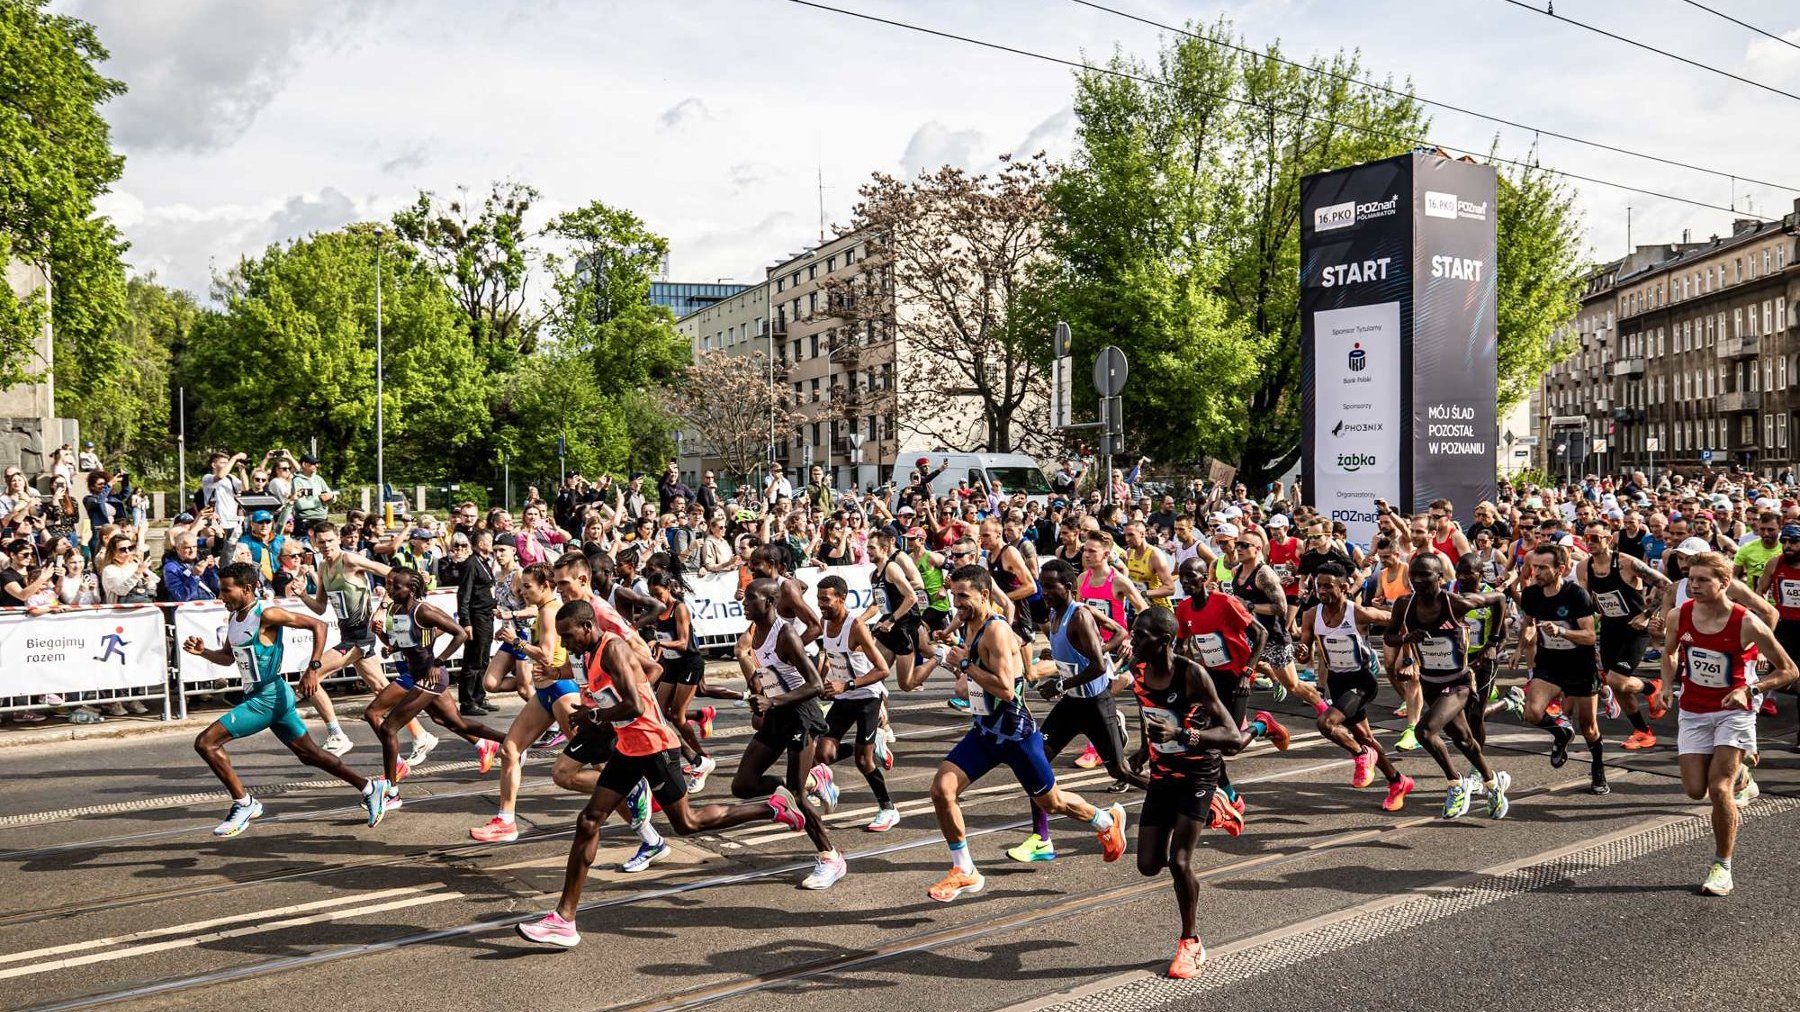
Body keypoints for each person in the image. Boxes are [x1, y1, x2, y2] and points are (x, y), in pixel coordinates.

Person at [515, 599, 807, 948]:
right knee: (589, 820)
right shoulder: (590, 653)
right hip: (628, 747)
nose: (565, 644)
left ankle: (773, 808)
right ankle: (563, 920)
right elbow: (644, 676)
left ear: (587, 627)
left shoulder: (613, 649)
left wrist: (593, 717)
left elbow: (634, 706)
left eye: (568, 636)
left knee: (688, 823)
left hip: (655, 747)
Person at [927, 565, 1126, 903]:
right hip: (986, 733)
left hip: (1016, 736)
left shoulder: (997, 631)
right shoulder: (969, 621)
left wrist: (964, 666)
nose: (956, 602)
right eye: (954, 595)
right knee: (941, 790)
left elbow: (1006, 689)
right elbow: (972, 678)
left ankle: (1106, 820)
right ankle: (965, 870)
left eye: (963, 596)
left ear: (984, 595)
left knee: (1053, 802)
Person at [182, 563, 386, 835]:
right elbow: (228, 657)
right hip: (264, 695)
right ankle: (371, 787)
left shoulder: (266, 613)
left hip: (268, 696)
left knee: (206, 743)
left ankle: (244, 803)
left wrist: (314, 669)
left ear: (247, 589)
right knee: (309, 754)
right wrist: (203, 652)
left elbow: (318, 625)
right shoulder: (234, 618)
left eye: (226, 590)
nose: (221, 596)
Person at [1658, 551, 1799, 896]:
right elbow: (1670, 651)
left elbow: (1789, 671)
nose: (1694, 585)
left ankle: (1722, 865)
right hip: (1693, 709)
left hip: (1734, 711)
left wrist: (1749, 689)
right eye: (1691, 579)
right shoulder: (1680, 614)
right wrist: (1665, 686)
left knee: (1718, 789)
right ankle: (1743, 773)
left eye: (1703, 579)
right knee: (1695, 789)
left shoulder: (1747, 621)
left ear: (1725, 583)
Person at [1126, 606, 1250, 979]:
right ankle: (1218, 808)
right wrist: (1141, 750)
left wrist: (1181, 735)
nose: (1133, 640)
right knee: (1148, 865)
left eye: (1140, 635)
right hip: (1163, 775)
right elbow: (1151, 715)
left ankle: (1191, 943)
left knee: (1180, 862)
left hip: (1198, 773)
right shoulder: (1139, 671)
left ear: (1163, 641)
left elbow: (1229, 737)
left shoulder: (1191, 674)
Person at [1009, 559, 1146, 863]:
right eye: (1041, 585)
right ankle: (1041, 839)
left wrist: (1061, 682)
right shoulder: (1056, 613)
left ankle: (1176, 800)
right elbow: (1116, 633)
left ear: (1068, 588)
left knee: (1119, 771)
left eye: (1049, 586)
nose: (1043, 592)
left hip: (1096, 704)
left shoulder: (1080, 615)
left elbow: (1098, 666)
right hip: (1072, 704)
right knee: (1036, 763)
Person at [732, 579, 844, 890]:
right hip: (776, 714)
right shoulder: (756, 632)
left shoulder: (786, 634)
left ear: (769, 602)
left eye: (751, 598)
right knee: (743, 784)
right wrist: (760, 695)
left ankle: (830, 857)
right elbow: (769, 673)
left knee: (796, 797)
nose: (744, 601)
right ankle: (812, 779)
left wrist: (773, 700)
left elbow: (815, 685)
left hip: (799, 716)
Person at [1386, 555, 1511, 818]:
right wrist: (1406, 637)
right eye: (1414, 576)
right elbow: (1389, 635)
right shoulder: (1404, 605)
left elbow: (1499, 599)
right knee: (1464, 740)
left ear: (1440, 578)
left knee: (1425, 732)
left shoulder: (1455, 603)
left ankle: (1456, 783)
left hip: (1459, 683)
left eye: (1425, 575)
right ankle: (1492, 782)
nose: (1418, 581)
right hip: (1430, 682)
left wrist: (1493, 642)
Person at [366, 568, 506, 796]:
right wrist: (385, 640)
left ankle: (391, 791)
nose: (390, 589)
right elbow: (401, 642)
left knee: (388, 727)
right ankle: (510, 741)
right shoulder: (396, 609)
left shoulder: (424, 611)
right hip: (416, 676)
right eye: (389, 585)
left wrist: (438, 662)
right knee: (452, 723)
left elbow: (460, 633)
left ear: (410, 589)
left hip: (430, 677)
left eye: (395, 586)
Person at [470, 563, 583, 844]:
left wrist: (515, 643)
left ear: (545, 586)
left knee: (591, 758)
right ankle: (506, 821)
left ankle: (631, 792)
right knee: (509, 749)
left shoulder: (549, 611)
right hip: (545, 693)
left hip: (561, 690)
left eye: (528, 587)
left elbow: (546, 656)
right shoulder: (542, 609)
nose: (522, 592)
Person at [1296, 563, 1412, 810]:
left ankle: (1360, 755)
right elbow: (1304, 657)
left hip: (1362, 680)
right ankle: (1397, 781)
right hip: (1337, 681)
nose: (1322, 591)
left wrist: (1408, 656)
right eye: (1319, 586)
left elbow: (1399, 622)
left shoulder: (1358, 613)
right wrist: (1303, 651)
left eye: (1328, 586)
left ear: (1345, 588)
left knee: (1326, 724)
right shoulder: (1310, 616)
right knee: (1365, 736)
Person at [811, 574, 901, 831]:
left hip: (867, 697)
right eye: (819, 599)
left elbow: (882, 670)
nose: (821, 604)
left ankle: (888, 808)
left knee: (864, 762)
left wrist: (846, 685)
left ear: (842, 598)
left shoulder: (856, 626)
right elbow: (829, 657)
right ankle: (874, 743)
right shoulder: (825, 623)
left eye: (826, 600)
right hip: (843, 697)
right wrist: (823, 684)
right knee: (823, 753)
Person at [1517, 544, 1608, 794]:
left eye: (1543, 567)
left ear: (1561, 569)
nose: (1536, 572)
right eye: (1534, 566)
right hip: (1550, 664)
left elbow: (1590, 636)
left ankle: (1598, 770)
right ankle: (1560, 734)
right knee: (1532, 713)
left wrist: (1562, 631)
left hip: (1580, 665)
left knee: (1588, 726)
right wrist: (1519, 648)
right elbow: (1529, 622)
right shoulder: (1531, 594)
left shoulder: (1576, 595)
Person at [1576, 517, 1672, 750]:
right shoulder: (1583, 567)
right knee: (1616, 684)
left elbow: (1666, 585)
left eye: (1595, 538)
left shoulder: (1628, 563)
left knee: (1617, 680)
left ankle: (1652, 687)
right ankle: (1642, 731)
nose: (1589, 543)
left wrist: (1647, 615)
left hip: (1635, 628)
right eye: (1586, 538)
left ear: (1608, 540)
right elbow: (1586, 601)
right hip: (1610, 627)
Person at [458, 528, 500, 716]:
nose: (492, 544)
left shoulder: (484, 562)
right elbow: (464, 594)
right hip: (476, 617)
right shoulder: (470, 564)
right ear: (481, 544)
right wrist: (466, 621)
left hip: (487, 616)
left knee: (483, 658)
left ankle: (479, 696)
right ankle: (467, 701)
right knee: (473, 659)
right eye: (490, 541)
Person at [159, 530, 219, 602]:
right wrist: (194, 576)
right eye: (187, 547)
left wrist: (211, 570)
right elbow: (181, 597)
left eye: (194, 546)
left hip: (211, 606)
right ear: (177, 549)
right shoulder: (171, 568)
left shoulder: (201, 560)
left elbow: (217, 589)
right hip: (187, 610)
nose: (192, 550)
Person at [290, 453, 335, 532]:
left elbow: (332, 497)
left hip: (323, 519)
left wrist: (331, 497)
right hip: (306, 521)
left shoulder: (319, 479)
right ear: (304, 464)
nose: (316, 465)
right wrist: (320, 501)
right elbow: (301, 505)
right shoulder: (297, 481)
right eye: (313, 463)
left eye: (317, 463)